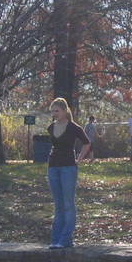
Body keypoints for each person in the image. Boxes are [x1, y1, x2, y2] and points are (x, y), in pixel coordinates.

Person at [46, 98, 91, 248]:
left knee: (68, 203)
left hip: (68, 167)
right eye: (52, 111)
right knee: (58, 205)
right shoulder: (51, 127)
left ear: (64, 111)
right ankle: (55, 239)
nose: (54, 114)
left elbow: (87, 142)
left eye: (57, 111)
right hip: (53, 167)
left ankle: (65, 239)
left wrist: (79, 159)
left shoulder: (73, 127)